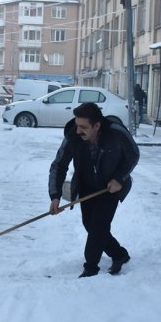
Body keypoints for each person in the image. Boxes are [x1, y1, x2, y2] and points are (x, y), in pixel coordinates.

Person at [48, 102, 140, 278]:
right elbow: (59, 165)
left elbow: (133, 154)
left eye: (83, 127)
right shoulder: (73, 137)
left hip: (109, 188)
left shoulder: (116, 133)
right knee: (89, 224)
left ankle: (91, 268)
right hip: (87, 186)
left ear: (97, 126)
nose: (78, 130)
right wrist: (55, 196)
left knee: (99, 225)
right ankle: (119, 254)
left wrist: (119, 178)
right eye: (77, 125)